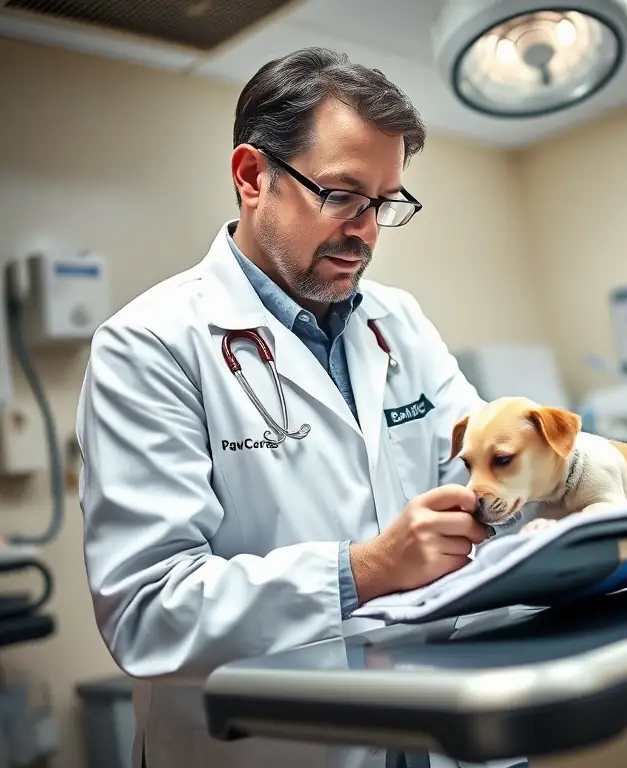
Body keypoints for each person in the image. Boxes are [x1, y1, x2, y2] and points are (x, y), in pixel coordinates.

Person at [75, 47, 524, 768]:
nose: (367, 231)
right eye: (342, 195)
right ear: (253, 177)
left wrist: (562, 492)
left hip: (435, 729)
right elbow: (147, 612)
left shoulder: (397, 320)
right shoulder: (149, 345)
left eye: (384, 204)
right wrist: (366, 568)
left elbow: (486, 471)